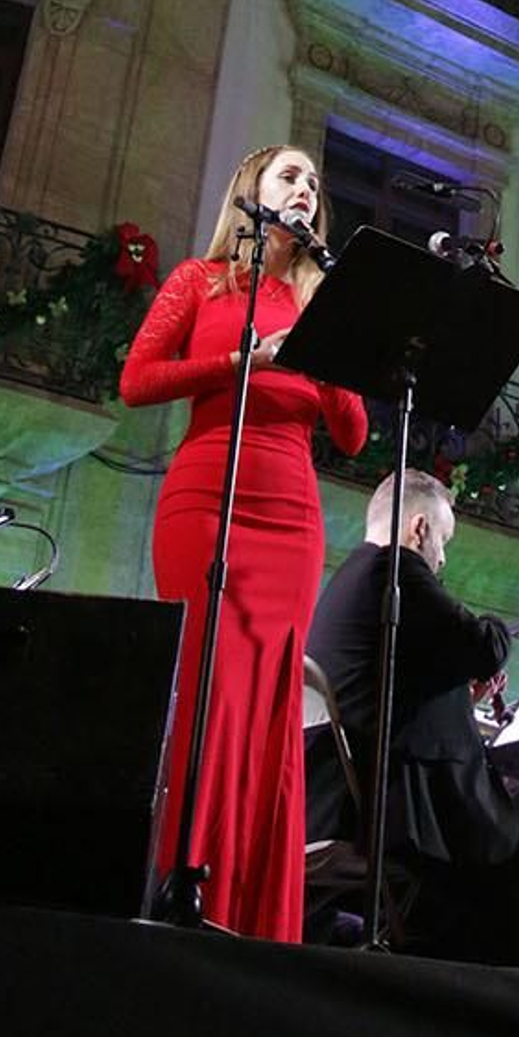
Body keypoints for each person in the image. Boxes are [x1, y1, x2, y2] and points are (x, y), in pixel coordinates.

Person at [119, 143, 367, 942]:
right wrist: (237, 360)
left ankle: (253, 913)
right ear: (252, 190)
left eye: (314, 182)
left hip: (289, 516)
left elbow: (355, 435)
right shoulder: (199, 279)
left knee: (267, 709)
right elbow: (138, 379)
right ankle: (179, 890)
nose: (306, 187)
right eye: (291, 174)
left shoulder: (321, 299)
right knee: (205, 692)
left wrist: (338, 339)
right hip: (203, 496)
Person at [306, 469, 519, 967]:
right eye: (444, 541)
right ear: (420, 529)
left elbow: (400, 680)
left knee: (508, 895)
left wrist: (456, 686)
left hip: (354, 800)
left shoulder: (352, 577)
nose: (442, 558)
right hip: (401, 814)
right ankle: (454, 976)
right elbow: (483, 645)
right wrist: (495, 627)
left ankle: (441, 962)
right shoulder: (396, 570)